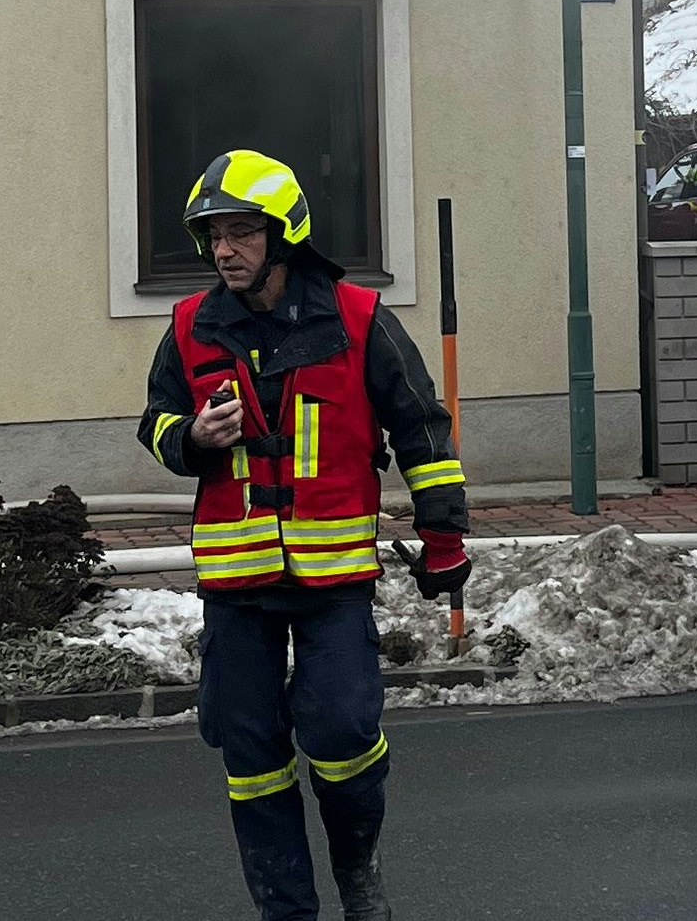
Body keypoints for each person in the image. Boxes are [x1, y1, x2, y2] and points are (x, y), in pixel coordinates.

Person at [138, 149, 471, 921]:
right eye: (213, 235)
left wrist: (444, 537)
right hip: (237, 588)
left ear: (284, 234)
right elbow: (153, 423)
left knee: (345, 734)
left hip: (332, 583)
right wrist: (190, 435)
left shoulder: (357, 319)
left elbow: (420, 426)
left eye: (241, 232)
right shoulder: (190, 327)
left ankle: (359, 868)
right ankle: (287, 911)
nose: (223, 249)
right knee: (251, 757)